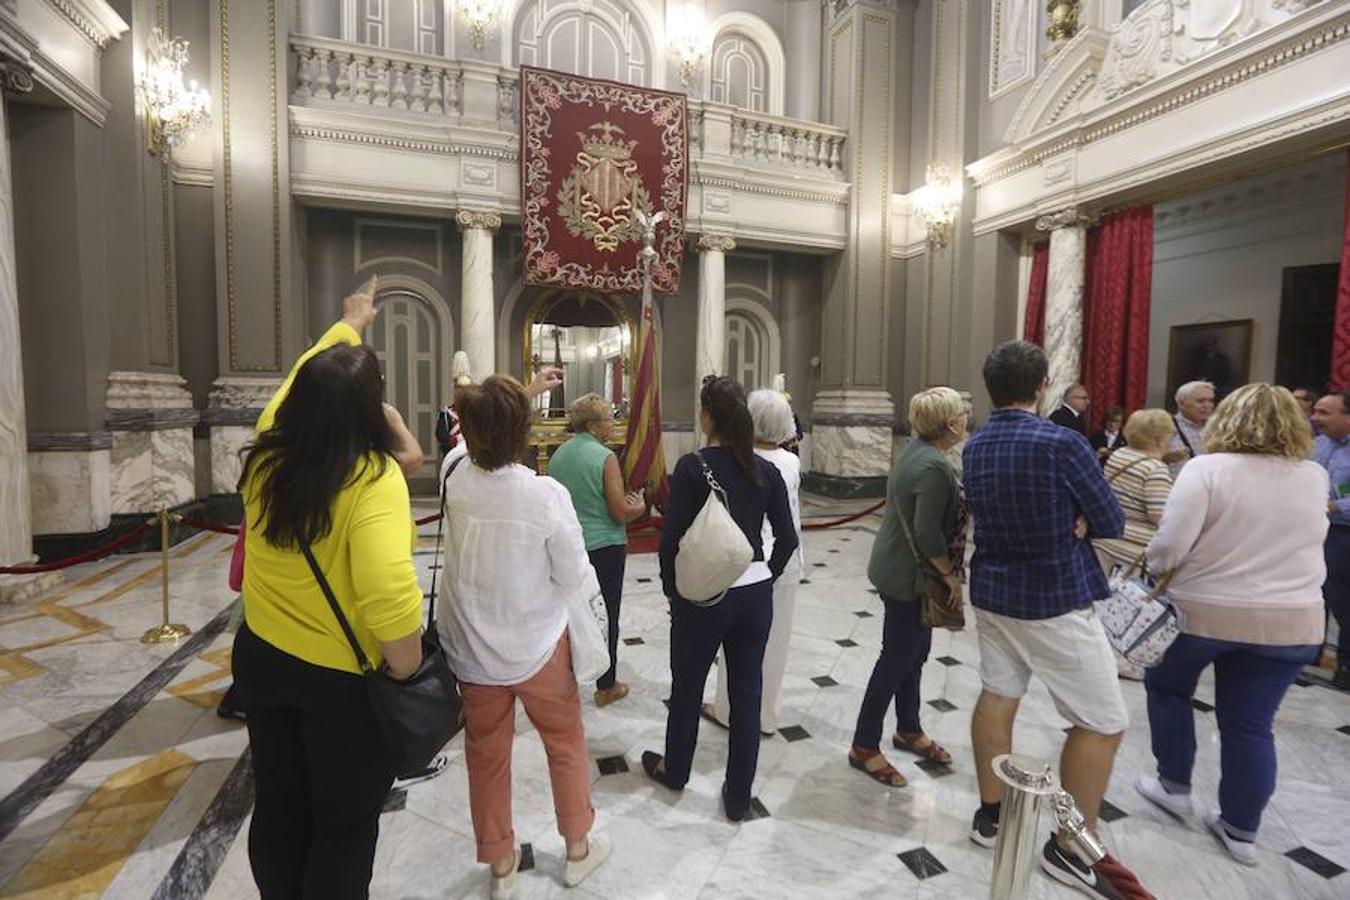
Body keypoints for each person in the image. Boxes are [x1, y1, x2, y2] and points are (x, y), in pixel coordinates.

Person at [231, 276, 429, 899]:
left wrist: (347, 326)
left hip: (262, 660)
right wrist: (407, 668)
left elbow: (296, 382)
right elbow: (387, 592)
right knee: (342, 828)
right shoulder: (373, 479)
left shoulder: (265, 454)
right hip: (340, 688)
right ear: (372, 410)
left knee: (281, 808)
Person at [963, 341, 1137, 898]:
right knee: (1102, 721)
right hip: (1052, 597)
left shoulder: (976, 442)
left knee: (998, 692)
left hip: (993, 589)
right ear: (1041, 386)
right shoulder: (1061, 441)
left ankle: (991, 815)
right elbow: (1109, 517)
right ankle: (1069, 847)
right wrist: (1079, 520)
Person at [1138, 385, 1327, 866]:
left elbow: (1169, 546)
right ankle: (1241, 830)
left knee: (1168, 690)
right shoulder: (1314, 475)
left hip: (1204, 611)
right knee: (1251, 726)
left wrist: (1152, 567)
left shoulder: (1207, 468)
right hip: (1291, 620)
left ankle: (1173, 785)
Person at [438, 374, 610, 899]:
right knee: (565, 743)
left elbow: (465, 434)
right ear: (526, 430)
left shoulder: (453, 475)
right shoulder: (545, 496)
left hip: (472, 650)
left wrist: (518, 393)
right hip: (538, 646)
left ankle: (500, 864)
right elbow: (572, 572)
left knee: (487, 757)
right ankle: (578, 850)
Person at [642, 376, 798, 822]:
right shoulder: (765, 470)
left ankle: (676, 771)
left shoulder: (692, 467)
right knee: (747, 692)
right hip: (754, 597)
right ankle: (737, 796)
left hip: (704, 599)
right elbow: (786, 539)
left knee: (688, 688)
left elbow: (670, 542)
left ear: (708, 417)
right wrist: (763, 578)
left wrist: (676, 594)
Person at [847, 387, 966, 788]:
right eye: (962, 414)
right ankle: (864, 745)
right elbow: (928, 533)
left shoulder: (919, 452)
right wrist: (949, 575)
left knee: (915, 653)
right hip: (907, 575)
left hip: (900, 567)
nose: (967, 419)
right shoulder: (932, 466)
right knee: (897, 658)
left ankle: (908, 728)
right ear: (950, 424)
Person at [703, 388, 804, 735]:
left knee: (737, 643)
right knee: (775, 642)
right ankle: (765, 717)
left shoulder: (737, 459)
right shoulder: (791, 461)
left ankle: (728, 710)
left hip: (747, 563)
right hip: (785, 563)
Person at [548, 393, 647, 708]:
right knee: (607, 615)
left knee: (569, 614)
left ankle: (563, 683)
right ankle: (606, 686)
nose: (613, 423)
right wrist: (639, 506)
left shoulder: (558, 455)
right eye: (608, 418)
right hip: (604, 545)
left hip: (569, 546)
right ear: (592, 425)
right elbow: (618, 511)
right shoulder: (605, 457)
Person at [1093, 409, 1174, 573]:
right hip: (1132, 551)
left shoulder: (1120, 454)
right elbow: (1159, 516)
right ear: (1160, 439)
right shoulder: (1155, 469)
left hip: (1107, 539)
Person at [1312, 391, 1350, 691]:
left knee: (1345, 603)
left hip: (1345, 531)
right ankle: (1313, 656)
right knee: (1324, 593)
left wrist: (1335, 506)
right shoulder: (1321, 443)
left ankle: (1346, 668)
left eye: (1324, 413)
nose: (1315, 418)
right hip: (1321, 530)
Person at [1168, 380, 1216, 477]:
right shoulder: (1166, 427)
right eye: (1200, 401)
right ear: (1181, 404)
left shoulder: (1217, 428)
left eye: (1211, 401)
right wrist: (1165, 458)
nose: (1207, 406)